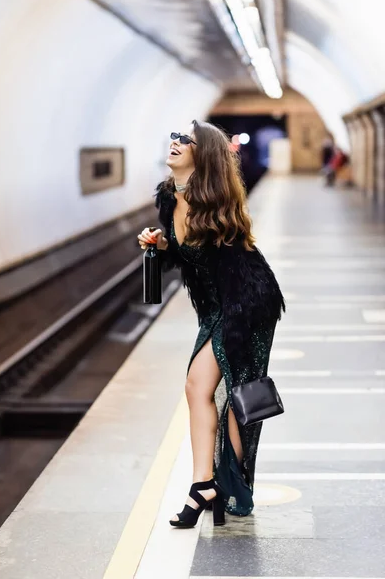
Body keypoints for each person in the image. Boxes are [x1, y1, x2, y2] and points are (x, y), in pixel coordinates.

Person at [137, 120, 285, 529]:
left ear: (204, 156)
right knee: (200, 388)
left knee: (227, 393)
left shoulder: (216, 201)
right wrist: (163, 243)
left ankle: (220, 484)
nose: (175, 142)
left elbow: (231, 266)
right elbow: (189, 259)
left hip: (247, 303)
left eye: (186, 140)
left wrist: (234, 336)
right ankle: (207, 484)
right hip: (217, 306)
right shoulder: (170, 197)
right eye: (174, 135)